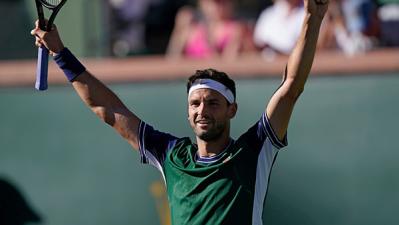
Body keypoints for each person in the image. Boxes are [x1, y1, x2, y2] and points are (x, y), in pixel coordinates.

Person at [30, 0, 329, 224]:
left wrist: (311, 20)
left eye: (213, 103)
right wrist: (60, 53)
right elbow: (106, 108)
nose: (202, 110)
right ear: (188, 113)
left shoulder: (253, 151)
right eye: (195, 104)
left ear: (231, 110)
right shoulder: (171, 155)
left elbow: (290, 87)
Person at [166, 0, 243, 60]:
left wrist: (209, 40)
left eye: (221, 2)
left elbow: (226, 65)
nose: (217, 7)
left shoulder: (236, 28)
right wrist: (178, 30)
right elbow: (172, 58)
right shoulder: (191, 28)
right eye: (212, 2)